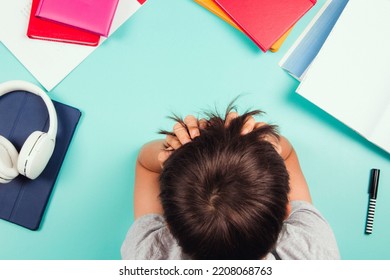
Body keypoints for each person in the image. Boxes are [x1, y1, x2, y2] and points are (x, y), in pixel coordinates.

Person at [121, 103, 340, 259]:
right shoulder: (314, 253)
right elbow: (288, 153)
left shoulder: (148, 256)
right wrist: (268, 145)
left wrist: (175, 152)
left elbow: (145, 164)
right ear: (286, 211)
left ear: (167, 225)